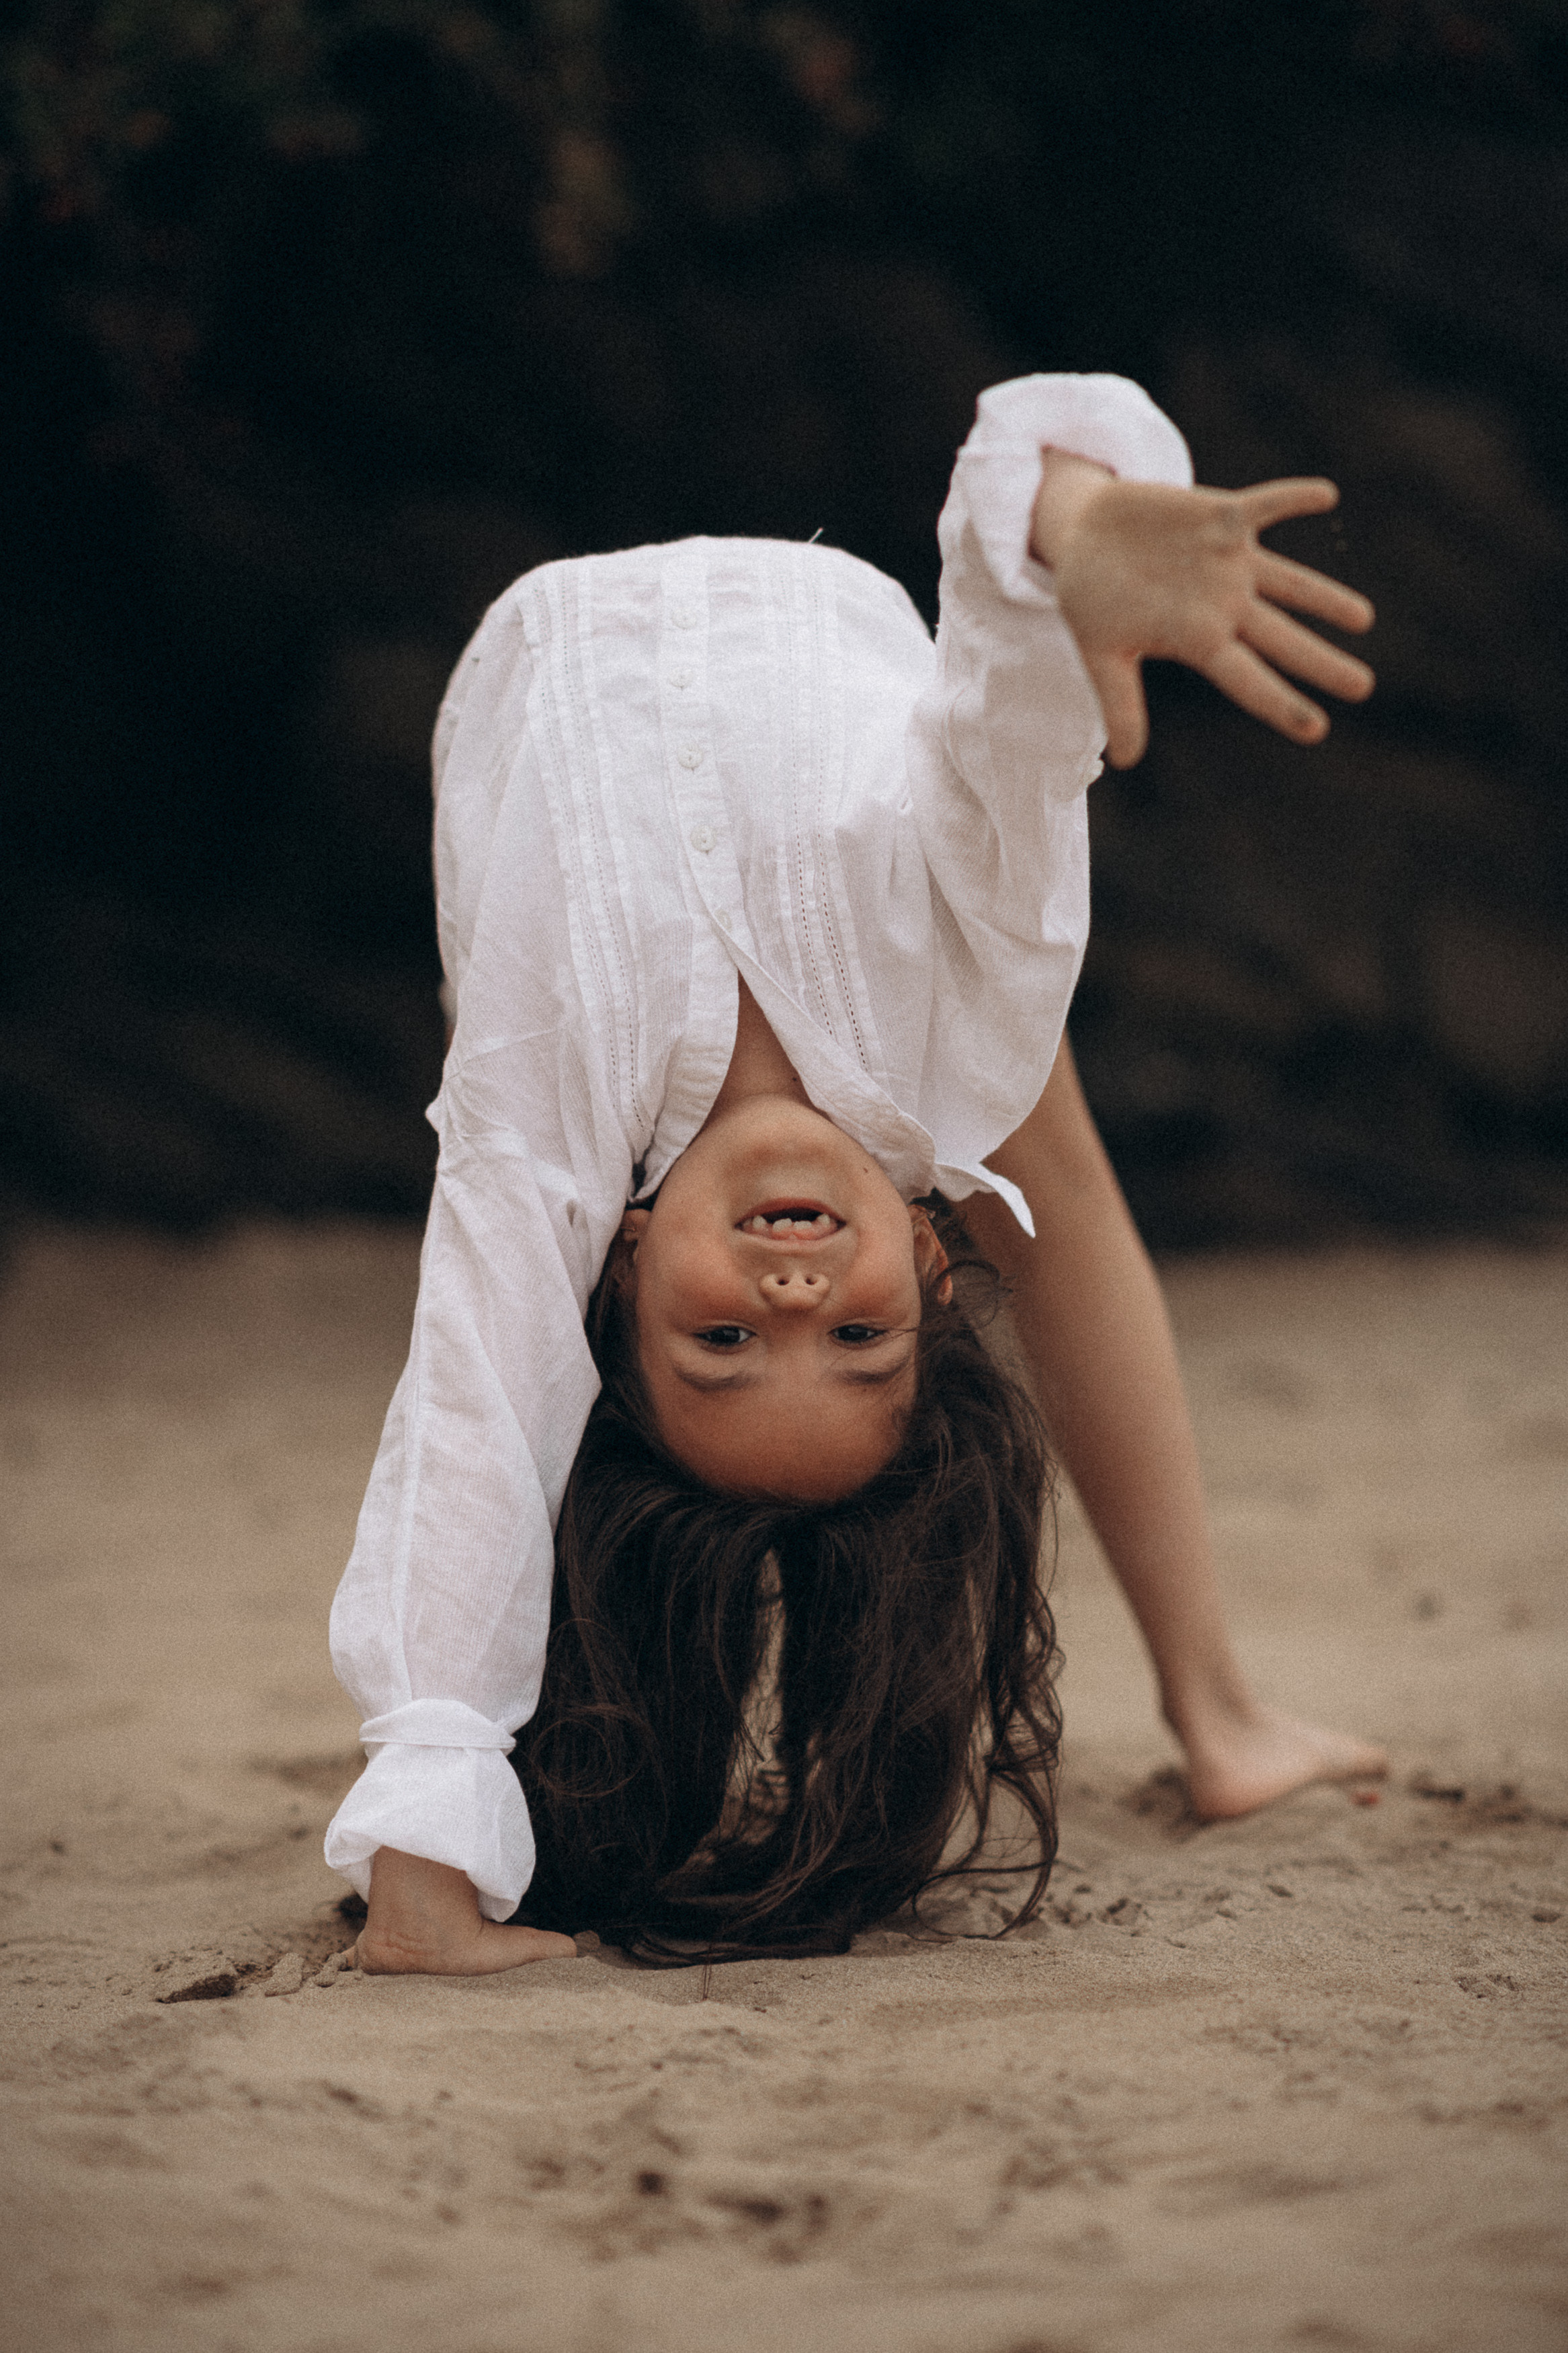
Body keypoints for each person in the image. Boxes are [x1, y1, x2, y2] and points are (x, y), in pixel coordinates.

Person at [324, 374, 1386, 1976]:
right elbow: (1005, 725)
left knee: (514, 1249)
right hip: (847, 699)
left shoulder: (549, 1118)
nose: (795, 1299)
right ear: (930, 1263)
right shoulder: (966, 997)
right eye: (858, 1339)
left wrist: (421, 1865)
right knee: (1028, 1125)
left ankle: (1218, 1705)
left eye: (724, 1344)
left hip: (530, 672)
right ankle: (1221, 1711)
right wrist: (1072, 530)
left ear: (621, 1271)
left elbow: (479, 1397)